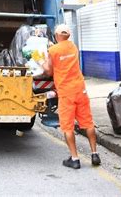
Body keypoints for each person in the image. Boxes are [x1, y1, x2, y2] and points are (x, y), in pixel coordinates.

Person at [41, 24, 100, 169]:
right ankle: (94, 154)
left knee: (67, 127)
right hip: (80, 90)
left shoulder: (53, 50)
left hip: (66, 93)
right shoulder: (74, 47)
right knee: (88, 123)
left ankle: (74, 159)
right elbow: (64, 55)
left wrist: (41, 61)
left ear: (56, 36)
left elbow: (48, 71)